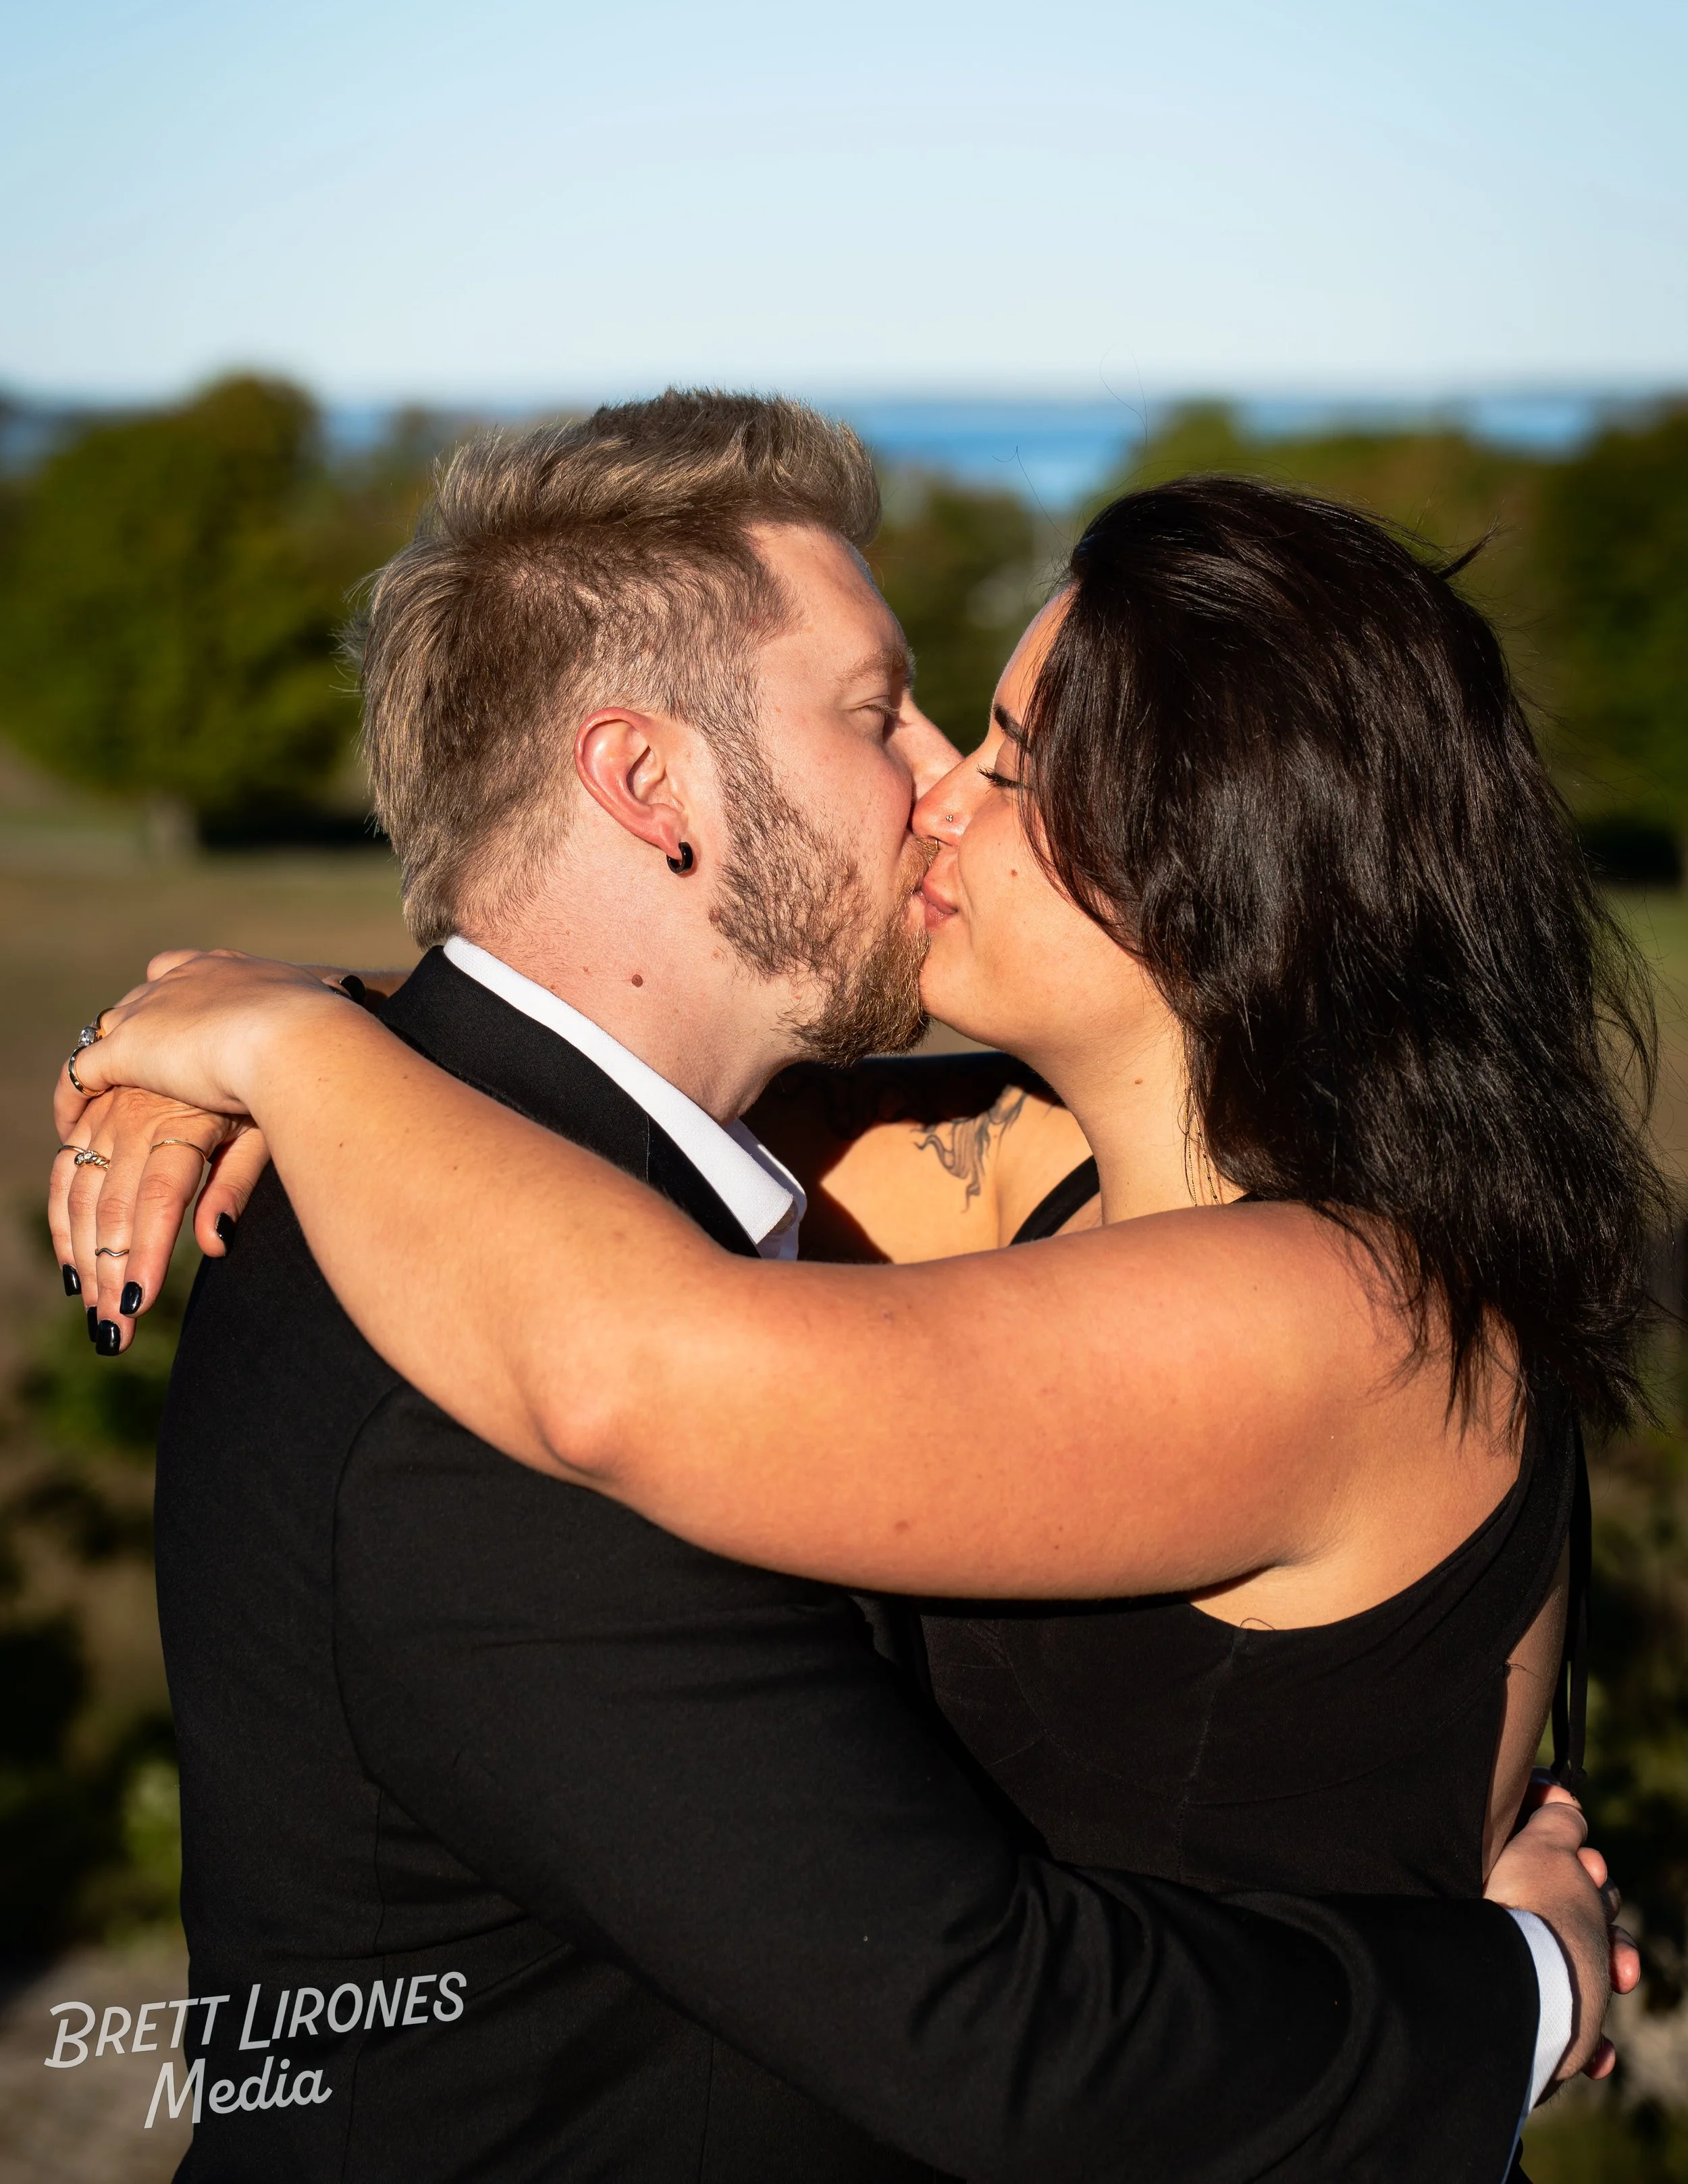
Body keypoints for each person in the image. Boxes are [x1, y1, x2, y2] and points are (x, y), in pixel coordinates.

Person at [57, 397, 1635, 2179]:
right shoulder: (996, 1173)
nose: (942, 786)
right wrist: (319, 1046)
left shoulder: (1335, 1309)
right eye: (892, 714)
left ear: (1215, 872)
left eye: (1016, 761)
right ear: (646, 784)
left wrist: (297, 1044)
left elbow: (634, 1358)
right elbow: (598, 1095)